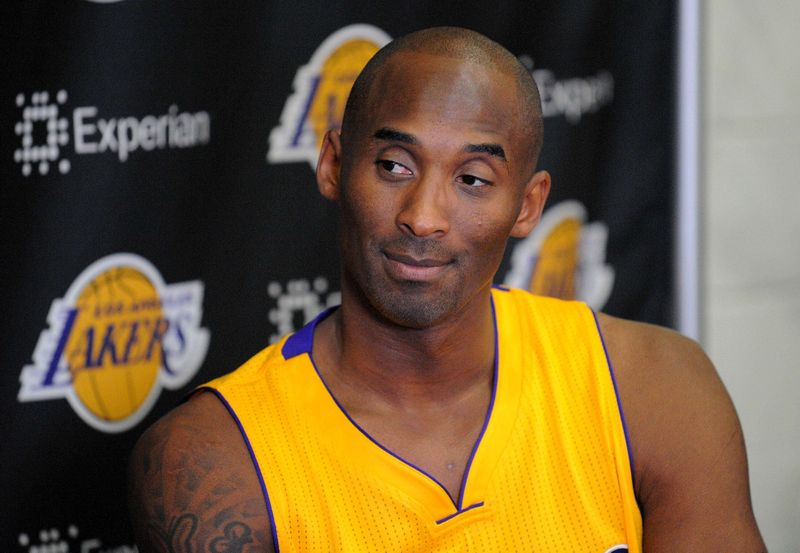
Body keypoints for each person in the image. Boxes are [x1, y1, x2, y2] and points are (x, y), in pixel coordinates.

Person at [128, 27, 765, 552]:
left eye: (473, 179)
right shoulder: (216, 459)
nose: (423, 216)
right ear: (333, 166)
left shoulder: (656, 388)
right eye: (394, 166)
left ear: (527, 205)